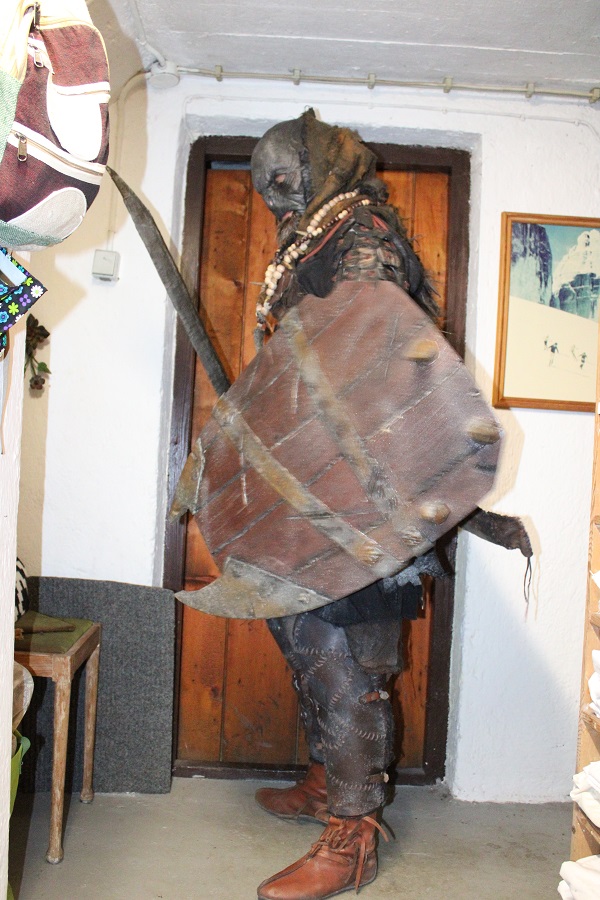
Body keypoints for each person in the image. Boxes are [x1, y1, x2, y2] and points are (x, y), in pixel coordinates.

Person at [249, 110, 441, 900]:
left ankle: (352, 836)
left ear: (319, 164)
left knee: (345, 657)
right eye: (266, 191)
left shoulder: (360, 234)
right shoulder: (313, 244)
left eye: (283, 181)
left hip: (364, 496)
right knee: (304, 638)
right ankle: (327, 783)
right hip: (314, 484)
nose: (276, 201)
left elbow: (372, 351)